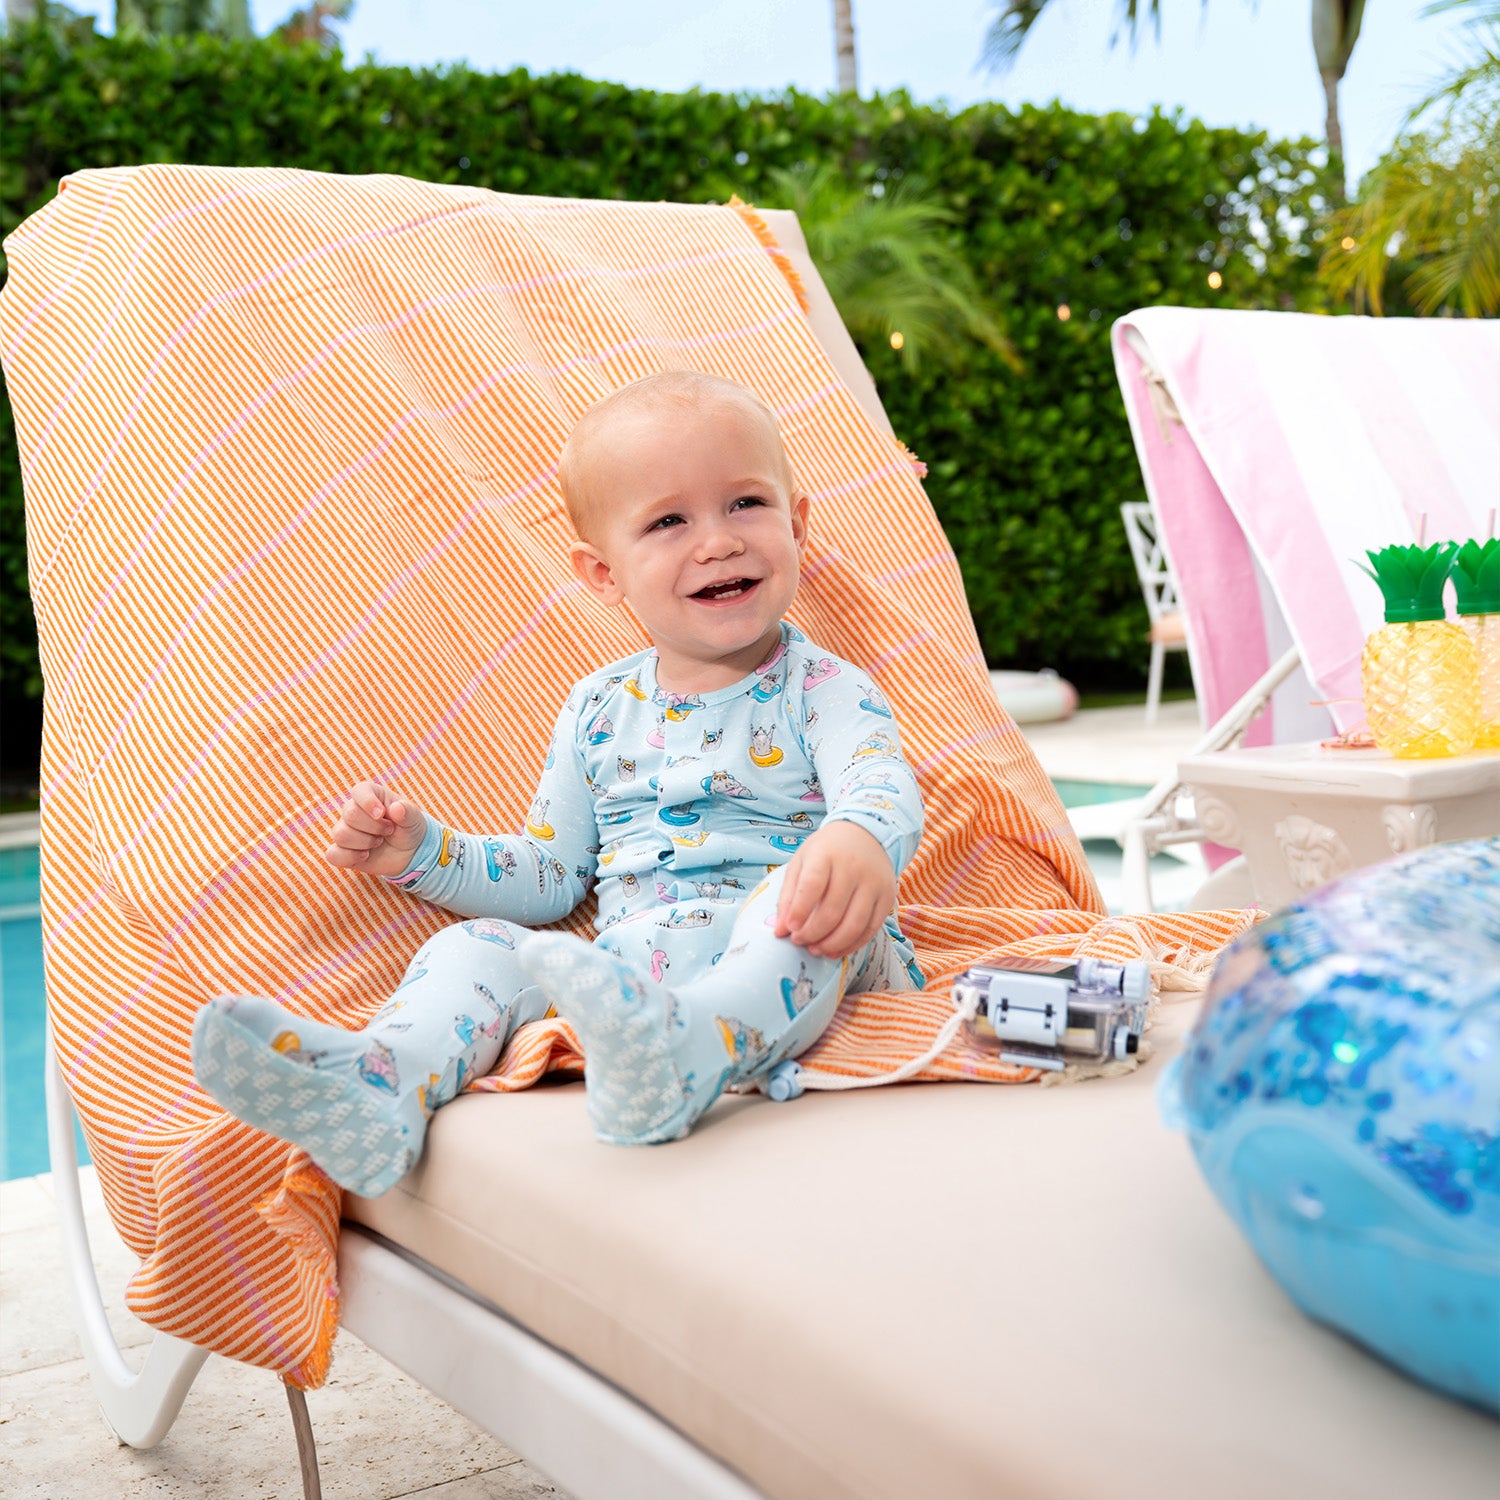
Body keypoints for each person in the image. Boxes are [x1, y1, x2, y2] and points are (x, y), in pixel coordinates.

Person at [191, 371, 924, 1193]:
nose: (717, 541)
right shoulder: (599, 709)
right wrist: (422, 849)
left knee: (783, 919)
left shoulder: (823, 688)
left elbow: (880, 781)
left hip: (806, 935)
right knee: (475, 947)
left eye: (746, 504)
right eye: (669, 520)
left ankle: (697, 1049)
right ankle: (383, 1082)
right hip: (636, 960)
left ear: (796, 523)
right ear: (603, 574)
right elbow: (548, 877)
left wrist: (858, 840)